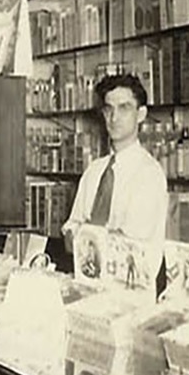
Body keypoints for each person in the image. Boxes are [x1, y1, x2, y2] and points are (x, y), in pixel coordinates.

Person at [62, 73, 168, 282]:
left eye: (124, 108)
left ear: (141, 114)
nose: (114, 117)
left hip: (129, 293)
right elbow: (68, 233)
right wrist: (85, 237)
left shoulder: (149, 174)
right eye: (109, 109)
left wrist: (84, 237)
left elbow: (126, 247)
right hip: (87, 284)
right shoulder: (94, 171)